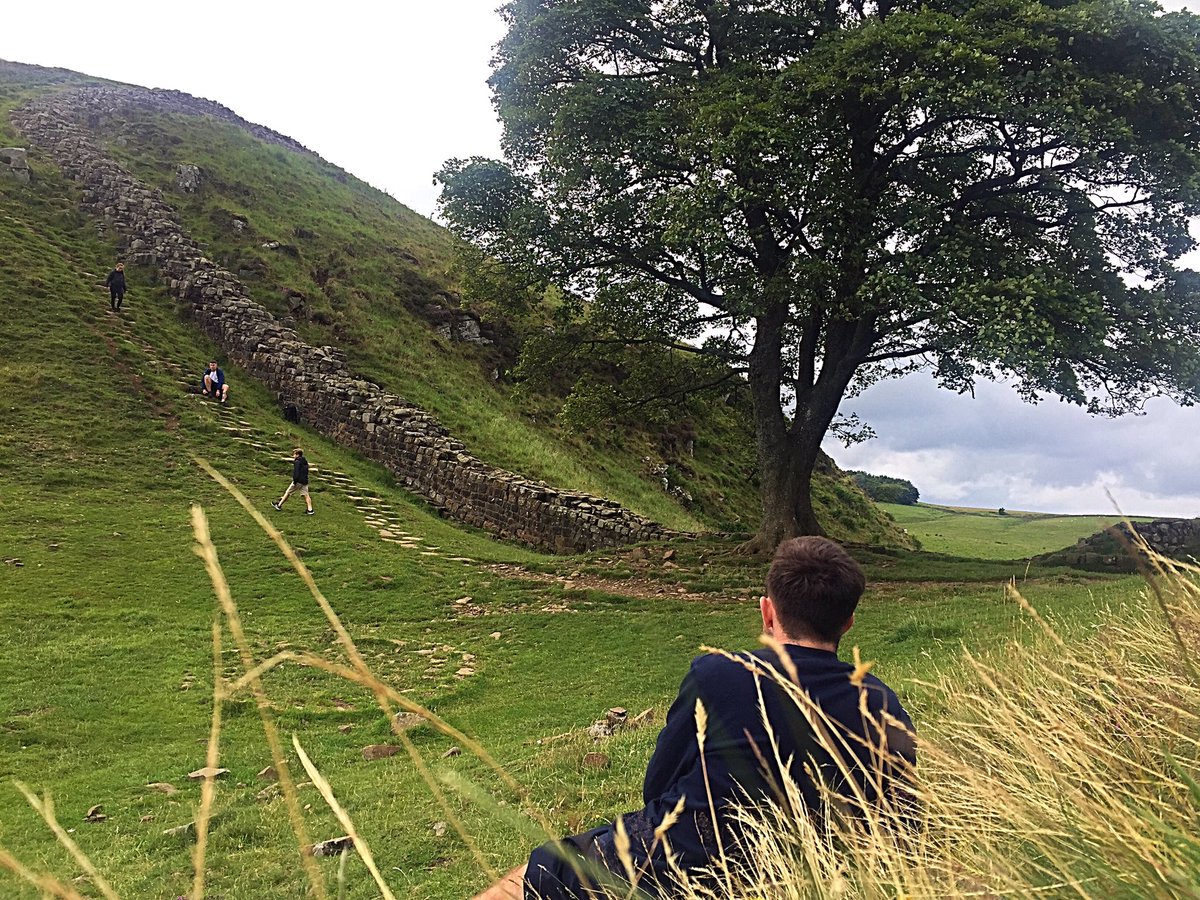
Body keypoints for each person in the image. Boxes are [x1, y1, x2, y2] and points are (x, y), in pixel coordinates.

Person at [476, 536, 917, 900]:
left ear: (767, 611)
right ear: (848, 623)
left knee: (539, 871)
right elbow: (899, 819)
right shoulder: (882, 703)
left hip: (682, 861)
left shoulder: (719, 673)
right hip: (809, 872)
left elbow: (659, 784)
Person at [273, 448, 314, 515]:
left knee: (288, 492)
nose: (293, 456)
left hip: (298, 480)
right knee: (306, 495)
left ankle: (279, 505)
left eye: (294, 454)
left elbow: (296, 472)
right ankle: (310, 509)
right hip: (305, 481)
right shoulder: (305, 461)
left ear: (297, 454)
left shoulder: (297, 462)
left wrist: (295, 481)